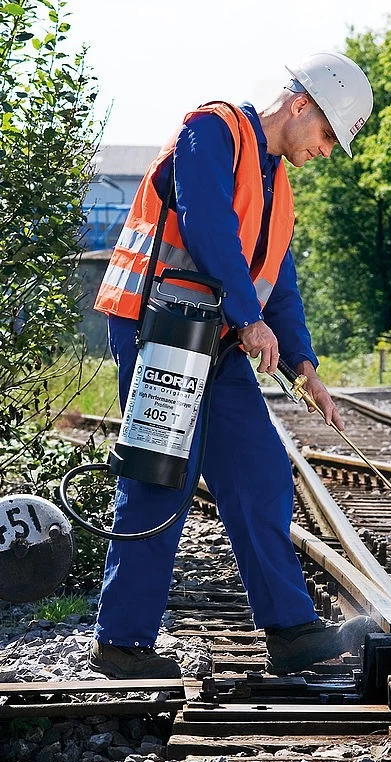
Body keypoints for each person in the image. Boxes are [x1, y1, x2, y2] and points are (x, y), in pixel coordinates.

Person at [89, 52, 375, 679]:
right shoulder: (212, 131)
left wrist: (304, 366)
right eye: (328, 133)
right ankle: (122, 645)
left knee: (260, 470)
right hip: (158, 323)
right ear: (300, 105)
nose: (328, 149)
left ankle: (291, 632)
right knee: (162, 476)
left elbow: (280, 282)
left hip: (211, 341)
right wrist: (248, 320)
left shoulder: (280, 188)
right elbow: (209, 225)